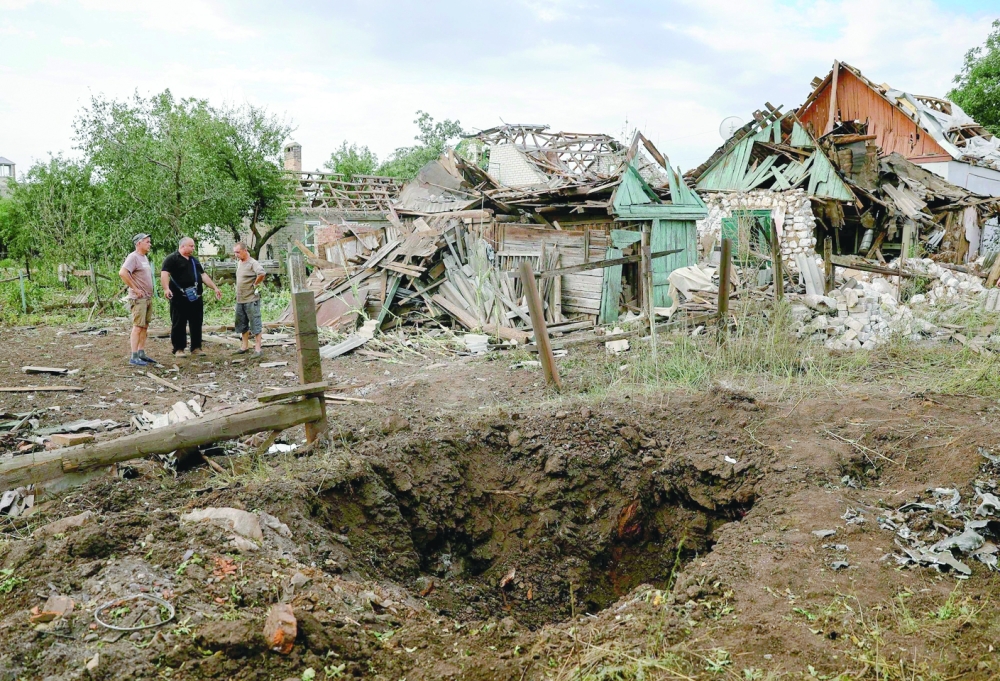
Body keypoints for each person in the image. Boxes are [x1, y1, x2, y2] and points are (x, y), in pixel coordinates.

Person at [160, 236, 222, 357]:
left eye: (193, 246)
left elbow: (203, 276)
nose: (193, 248)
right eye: (191, 246)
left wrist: (215, 288)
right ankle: (179, 348)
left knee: (196, 322)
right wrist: (166, 288)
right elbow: (164, 274)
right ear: (183, 246)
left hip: (196, 297)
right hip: (179, 297)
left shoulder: (194, 260)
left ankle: (196, 347)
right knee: (179, 323)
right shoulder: (172, 259)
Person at [119, 233, 156, 366]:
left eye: (149, 242)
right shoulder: (133, 257)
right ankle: (134, 356)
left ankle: (141, 352)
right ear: (138, 243)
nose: (149, 244)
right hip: (138, 299)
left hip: (147, 297)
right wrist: (135, 288)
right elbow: (123, 273)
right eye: (147, 242)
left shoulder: (144, 257)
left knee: (145, 326)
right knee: (138, 326)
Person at [233, 241, 267, 357]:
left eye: (238, 252)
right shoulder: (239, 263)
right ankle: (244, 346)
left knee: (255, 323)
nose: (236, 255)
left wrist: (255, 284)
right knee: (242, 323)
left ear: (245, 251)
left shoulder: (253, 263)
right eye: (235, 252)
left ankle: (258, 349)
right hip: (240, 299)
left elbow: (262, 273)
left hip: (251, 299)